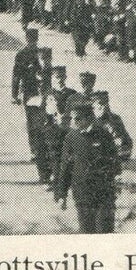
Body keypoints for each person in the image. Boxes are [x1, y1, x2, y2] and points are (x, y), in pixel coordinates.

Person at [52, 100, 122, 234]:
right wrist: (62, 194)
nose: (73, 122)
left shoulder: (104, 135)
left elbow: (114, 162)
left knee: (105, 232)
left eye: (77, 119)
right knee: (86, 233)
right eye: (72, 118)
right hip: (82, 193)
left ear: (88, 118)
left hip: (104, 193)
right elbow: (65, 167)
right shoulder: (70, 138)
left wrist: (116, 181)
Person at [11, 27, 50, 183]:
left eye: (34, 39)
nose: (33, 42)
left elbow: (48, 72)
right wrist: (14, 94)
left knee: (44, 120)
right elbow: (16, 75)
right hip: (29, 92)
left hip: (43, 92)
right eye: (30, 39)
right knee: (32, 122)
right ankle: (34, 149)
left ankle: (42, 149)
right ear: (27, 39)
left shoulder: (43, 53)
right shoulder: (21, 55)